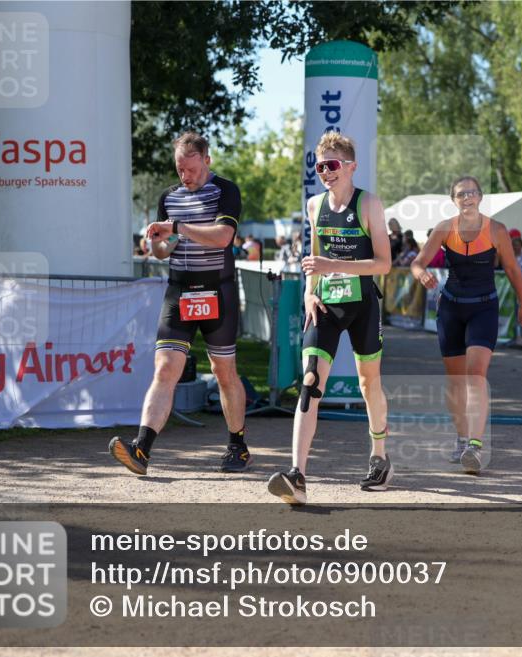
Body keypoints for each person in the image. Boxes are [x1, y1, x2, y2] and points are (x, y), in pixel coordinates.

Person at [109, 131, 251, 476]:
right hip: (179, 291)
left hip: (218, 290)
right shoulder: (169, 197)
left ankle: (238, 445)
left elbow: (222, 238)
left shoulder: (225, 191)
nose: (184, 177)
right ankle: (141, 449)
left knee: (223, 372)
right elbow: (161, 251)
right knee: (165, 369)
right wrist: (160, 242)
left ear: (207, 160)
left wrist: (177, 227)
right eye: (179, 169)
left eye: (191, 169)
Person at [267, 132, 392, 505]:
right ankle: (297, 475)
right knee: (310, 383)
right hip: (325, 305)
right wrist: (309, 289)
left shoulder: (369, 204)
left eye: (333, 165)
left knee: (369, 384)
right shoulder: (314, 205)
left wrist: (330, 265)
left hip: (363, 304)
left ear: (351, 167)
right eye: (320, 166)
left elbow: (383, 264)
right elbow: (314, 255)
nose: (325, 172)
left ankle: (380, 457)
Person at [410, 176, 522, 472]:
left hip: (484, 308)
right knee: (456, 381)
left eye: (473, 193)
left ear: (480, 197)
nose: (468, 198)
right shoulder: (444, 229)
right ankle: (462, 439)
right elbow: (417, 263)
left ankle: (475, 447)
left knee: (476, 374)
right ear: (453, 199)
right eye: (462, 194)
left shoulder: (496, 230)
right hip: (451, 308)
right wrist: (421, 275)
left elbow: (513, 269)